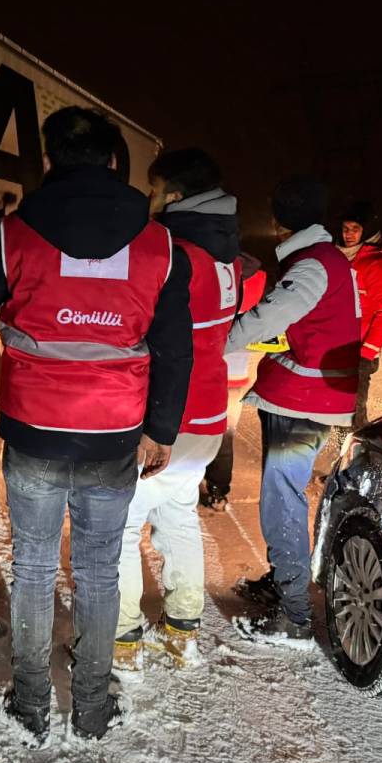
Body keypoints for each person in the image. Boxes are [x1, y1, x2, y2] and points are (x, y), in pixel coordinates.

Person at [0, 108, 193, 741]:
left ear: (50, 161)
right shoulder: (159, 244)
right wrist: (160, 429)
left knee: (31, 567)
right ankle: (91, 705)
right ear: (115, 162)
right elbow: (175, 346)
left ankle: (30, 704)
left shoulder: (14, 232)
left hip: (34, 429)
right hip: (115, 434)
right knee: (99, 568)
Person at [113, 149, 239, 670]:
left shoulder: (174, 253)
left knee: (120, 527)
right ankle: (183, 630)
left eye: (155, 188)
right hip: (208, 414)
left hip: (166, 416)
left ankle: (121, 638)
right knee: (179, 517)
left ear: (177, 196)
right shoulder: (226, 255)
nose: (150, 198)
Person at [226, 177, 360, 640]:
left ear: (279, 220)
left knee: (280, 500)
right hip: (312, 393)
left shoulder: (311, 267)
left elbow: (268, 317)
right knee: (284, 494)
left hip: (305, 400)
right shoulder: (325, 260)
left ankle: (295, 612)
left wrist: (212, 339)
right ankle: (284, 580)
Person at [200, 251, 267, 511]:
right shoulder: (256, 280)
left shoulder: (207, 273)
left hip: (204, 369)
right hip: (235, 372)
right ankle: (218, 490)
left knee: (192, 429)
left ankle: (185, 483)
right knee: (225, 435)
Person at [339, 200, 382, 429]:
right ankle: (339, 449)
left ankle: (356, 455)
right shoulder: (345, 257)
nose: (348, 234)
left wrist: (367, 353)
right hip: (338, 347)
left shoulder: (378, 263)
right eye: (345, 228)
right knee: (334, 405)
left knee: (352, 412)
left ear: (368, 230)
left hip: (359, 353)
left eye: (355, 229)